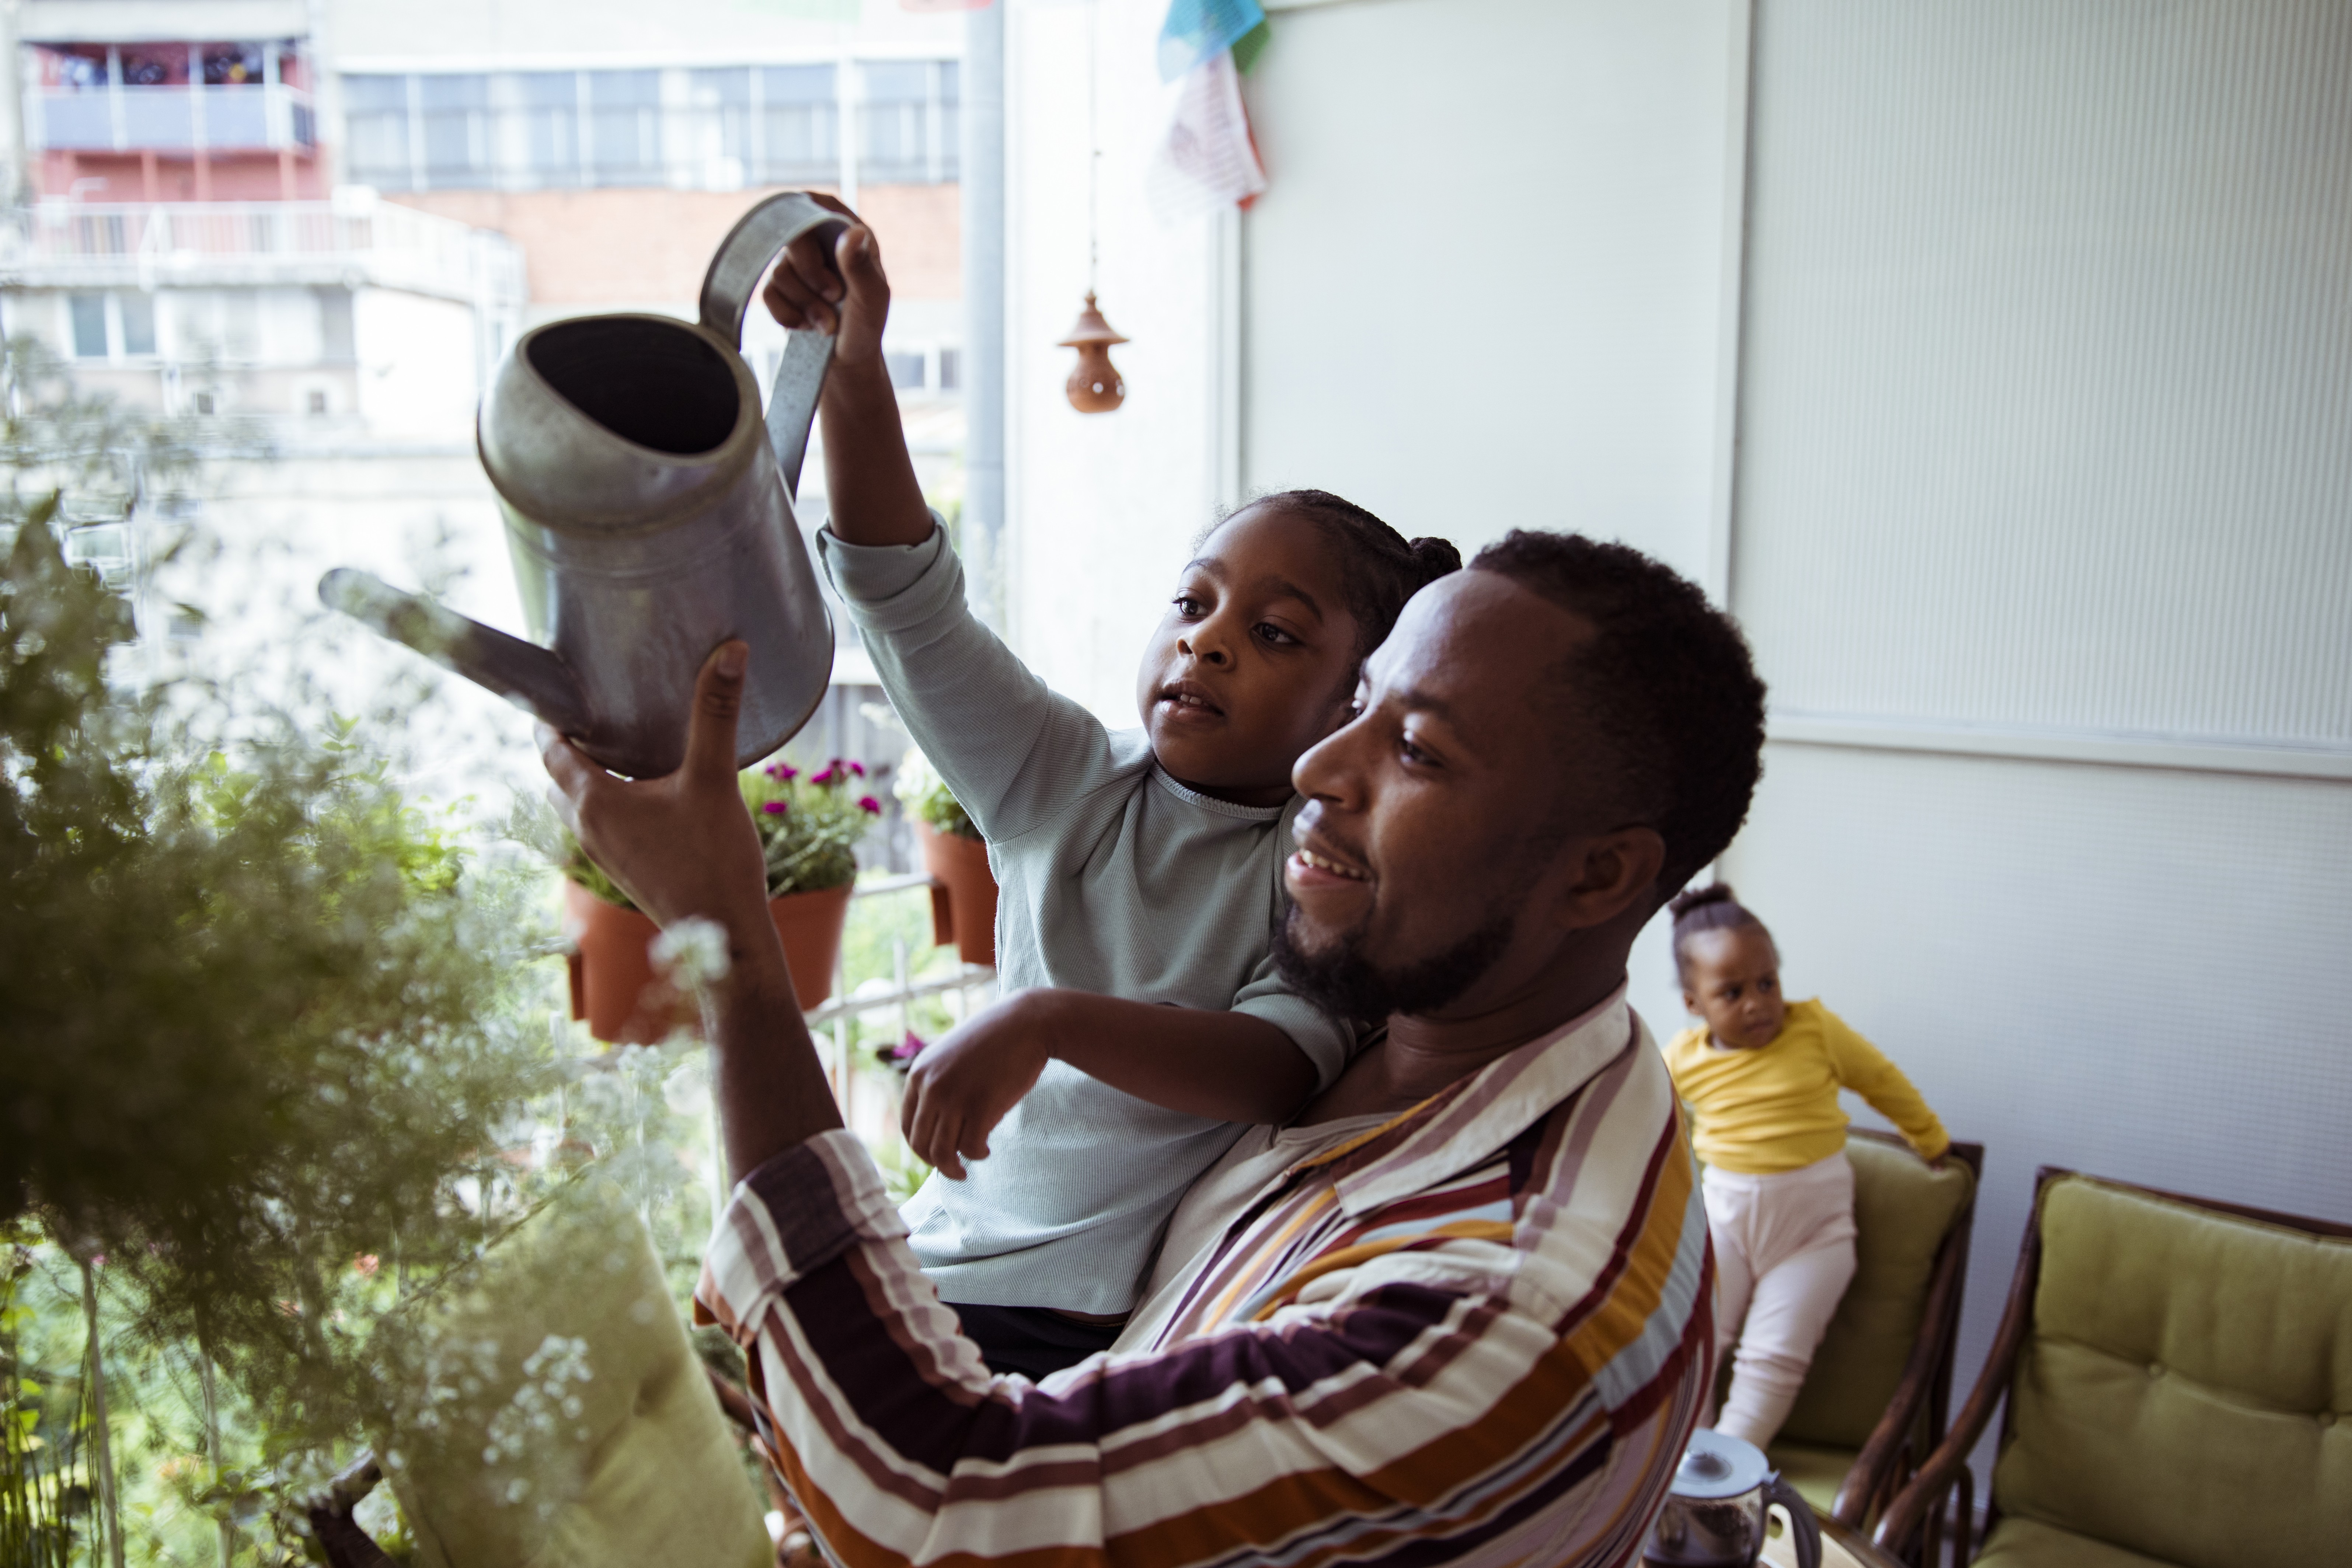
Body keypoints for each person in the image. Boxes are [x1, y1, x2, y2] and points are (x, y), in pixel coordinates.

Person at [540, 524, 1770, 1567]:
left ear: (1600, 874)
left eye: (1419, 751)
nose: (1319, 767)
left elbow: (942, 1506)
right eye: (1362, 707)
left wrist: (733, 947)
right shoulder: (1453, 1039)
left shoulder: (1499, 1321)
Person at [758, 198, 1460, 1379]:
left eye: (1275, 632)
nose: (1207, 643)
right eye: (1191, 604)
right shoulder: (1060, 780)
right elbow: (901, 597)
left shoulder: (1327, 867)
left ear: (1357, 697)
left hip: (1073, 1324)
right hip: (929, 1262)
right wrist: (851, 366)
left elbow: (1276, 1065)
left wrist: (1051, 1018)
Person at [1661, 884, 1951, 1450]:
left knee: (1772, 1355)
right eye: (1732, 991)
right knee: (1695, 1340)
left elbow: (1880, 1079)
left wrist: (1930, 1138)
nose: (1757, 1002)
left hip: (1813, 1238)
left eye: (1767, 982)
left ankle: (1729, 1466)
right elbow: (1640, 1114)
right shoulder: (1681, 1060)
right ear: (1695, 1004)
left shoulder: (1815, 1030)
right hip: (1726, 1226)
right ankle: (1686, 1462)